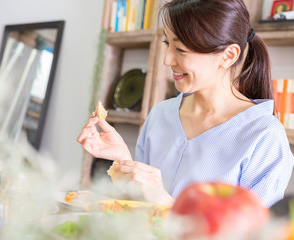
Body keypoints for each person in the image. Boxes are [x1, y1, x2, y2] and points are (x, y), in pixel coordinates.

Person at [77, 0, 294, 207]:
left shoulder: (265, 137)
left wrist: (165, 202)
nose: (167, 60)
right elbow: (138, 211)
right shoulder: (160, 114)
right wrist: (122, 160)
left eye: (180, 49)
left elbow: (252, 232)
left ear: (228, 55)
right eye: (167, 43)